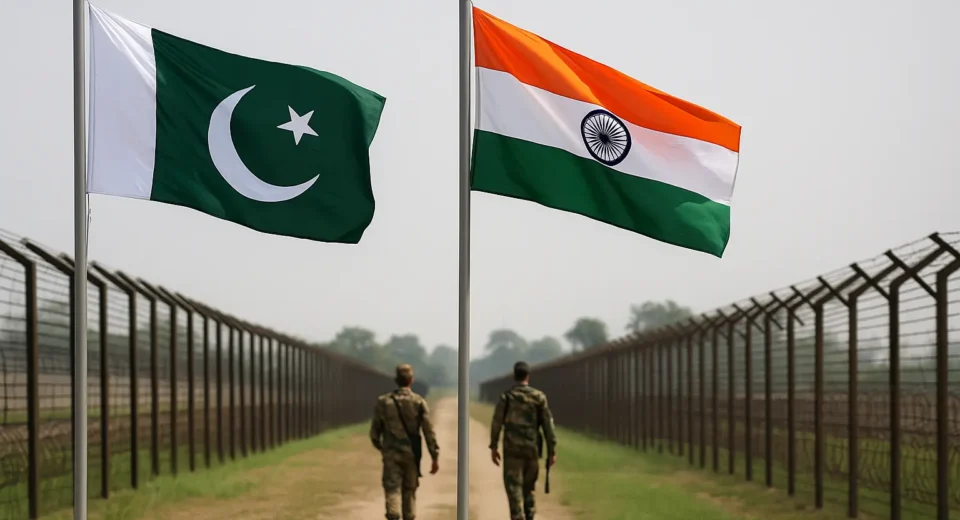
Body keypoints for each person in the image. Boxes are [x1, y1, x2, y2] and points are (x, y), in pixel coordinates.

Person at [370, 364, 439, 520]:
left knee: (392, 488)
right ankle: (409, 516)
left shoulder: (384, 402)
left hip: (391, 453)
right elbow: (429, 432)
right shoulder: (419, 402)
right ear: (411, 380)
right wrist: (434, 456)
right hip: (411, 455)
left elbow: (374, 432)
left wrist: (382, 448)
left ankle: (393, 515)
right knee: (409, 491)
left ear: (396, 380)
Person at [489, 361, 557, 520]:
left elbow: (497, 422)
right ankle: (530, 516)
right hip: (531, 450)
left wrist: (493, 447)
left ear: (515, 376)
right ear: (528, 376)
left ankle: (517, 516)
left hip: (512, 451)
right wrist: (552, 450)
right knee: (529, 489)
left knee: (514, 490)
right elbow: (548, 425)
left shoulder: (506, 397)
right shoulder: (539, 397)